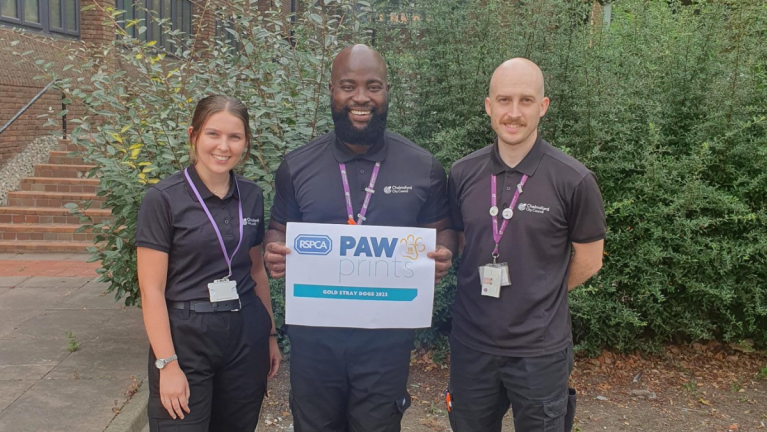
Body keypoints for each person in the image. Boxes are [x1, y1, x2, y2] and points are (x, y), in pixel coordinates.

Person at [263, 44, 456, 432]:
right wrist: (274, 253)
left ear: (387, 91)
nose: (361, 97)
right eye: (348, 86)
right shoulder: (296, 166)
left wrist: (444, 253)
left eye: (374, 86)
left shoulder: (424, 167)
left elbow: (443, 231)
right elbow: (279, 229)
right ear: (332, 91)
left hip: (386, 344)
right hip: (315, 342)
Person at [445, 58, 605, 432]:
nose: (513, 113)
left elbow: (590, 259)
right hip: (473, 346)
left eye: (526, 101)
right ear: (488, 106)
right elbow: (463, 242)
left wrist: (541, 292)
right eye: (504, 100)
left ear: (543, 107)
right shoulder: (462, 173)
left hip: (540, 351)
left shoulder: (574, 180)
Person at [136, 95, 281, 432]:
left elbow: (256, 269)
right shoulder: (163, 199)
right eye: (213, 134)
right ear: (194, 136)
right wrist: (167, 365)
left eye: (235, 137)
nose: (223, 146)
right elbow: (152, 290)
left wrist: (270, 335)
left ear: (245, 143)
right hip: (186, 337)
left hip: (245, 333)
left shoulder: (252, 195)